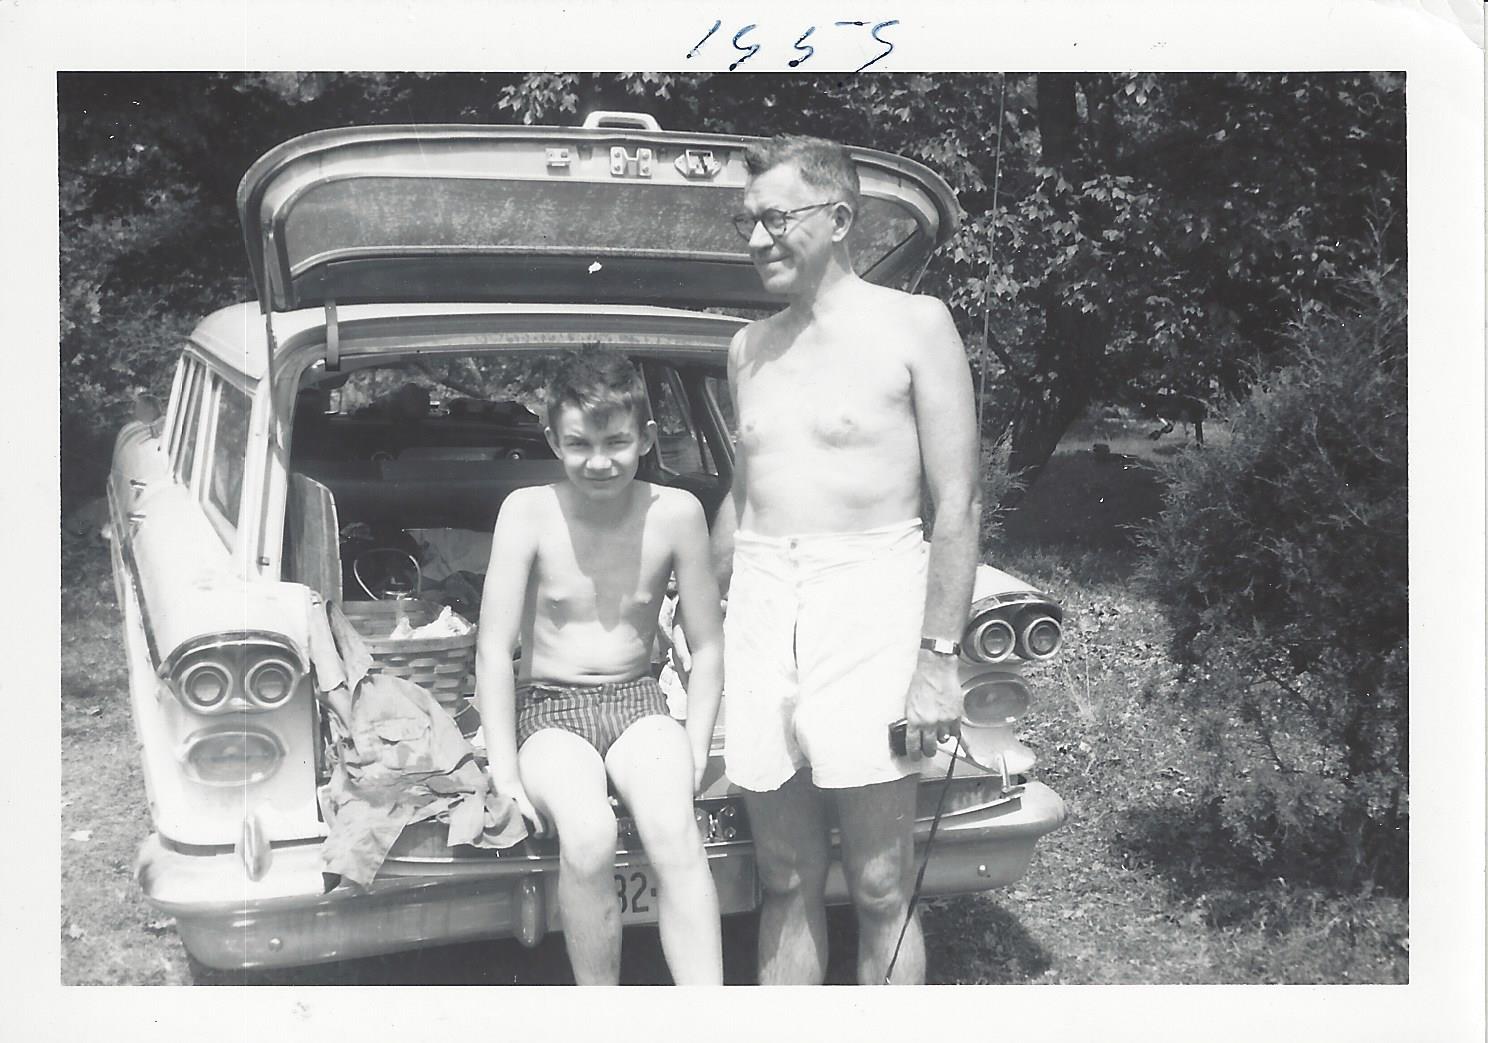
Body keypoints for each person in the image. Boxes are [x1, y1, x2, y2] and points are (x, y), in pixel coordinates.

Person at [713, 134, 980, 985]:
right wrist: (696, 614)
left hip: (870, 600)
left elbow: (959, 506)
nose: (756, 240)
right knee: (783, 877)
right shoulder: (746, 348)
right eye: (747, 222)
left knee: (876, 881)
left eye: (774, 219)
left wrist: (937, 662)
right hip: (762, 602)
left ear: (838, 217)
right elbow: (746, 493)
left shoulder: (916, 324)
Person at [475, 351, 725, 985]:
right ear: (553, 439)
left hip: (639, 701)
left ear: (646, 438)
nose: (599, 461)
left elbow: (708, 643)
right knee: (588, 836)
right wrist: (503, 771)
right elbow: (494, 648)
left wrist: (695, 745)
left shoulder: (676, 513)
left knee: (674, 828)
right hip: (550, 713)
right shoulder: (527, 511)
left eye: (617, 442)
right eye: (580, 443)